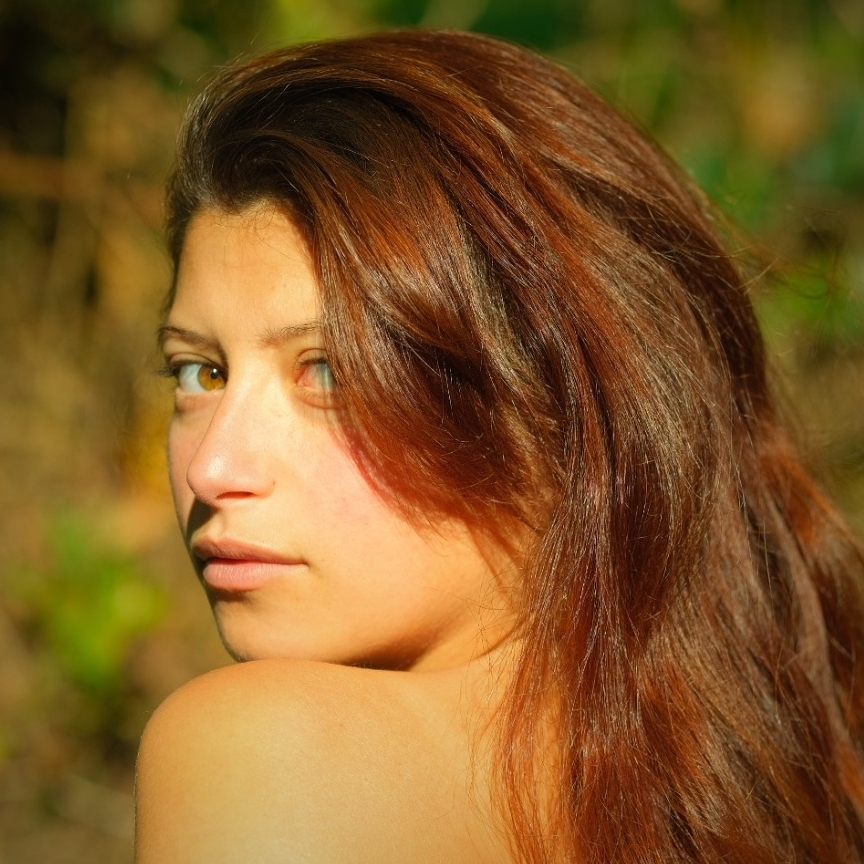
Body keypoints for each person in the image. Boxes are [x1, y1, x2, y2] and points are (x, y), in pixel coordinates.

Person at [134, 29, 864, 864]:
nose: (213, 468)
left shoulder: (264, 750)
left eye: (329, 370)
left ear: (557, 401)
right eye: (200, 372)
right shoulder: (772, 783)